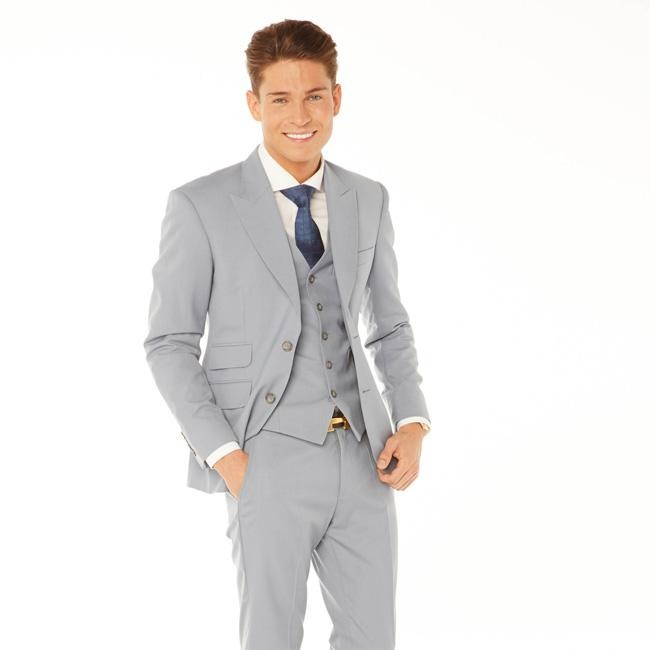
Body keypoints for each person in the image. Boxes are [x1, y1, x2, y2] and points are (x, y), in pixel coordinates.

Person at [143, 18, 431, 650]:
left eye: (314, 96)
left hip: (365, 459)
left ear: (336, 98)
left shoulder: (368, 198)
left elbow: (389, 324)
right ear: (254, 104)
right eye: (280, 98)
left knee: (373, 641)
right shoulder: (201, 205)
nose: (300, 116)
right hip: (265, 458)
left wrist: (411, 423)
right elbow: (168, 343)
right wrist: (227, 457)